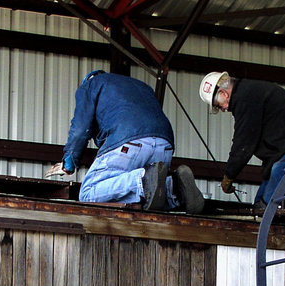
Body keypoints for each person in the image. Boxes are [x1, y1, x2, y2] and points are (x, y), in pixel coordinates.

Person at [48, 69, 204, 213]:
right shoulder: (142, 87)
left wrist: (69, 160)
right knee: (151, 196)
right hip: (165, 143)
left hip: (128, 139)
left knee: (88, 193)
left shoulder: (91, 84)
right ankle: (174, 189)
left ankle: (143, 180)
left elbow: (80, 128)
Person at [199, 71, 285, 210]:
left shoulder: (245, 98)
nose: (222, 109)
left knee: (270, 206)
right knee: (260, 205)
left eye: (218, 105)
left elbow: (243, 143)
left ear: (224, 94)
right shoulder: (247, 92)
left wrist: (229, 176)